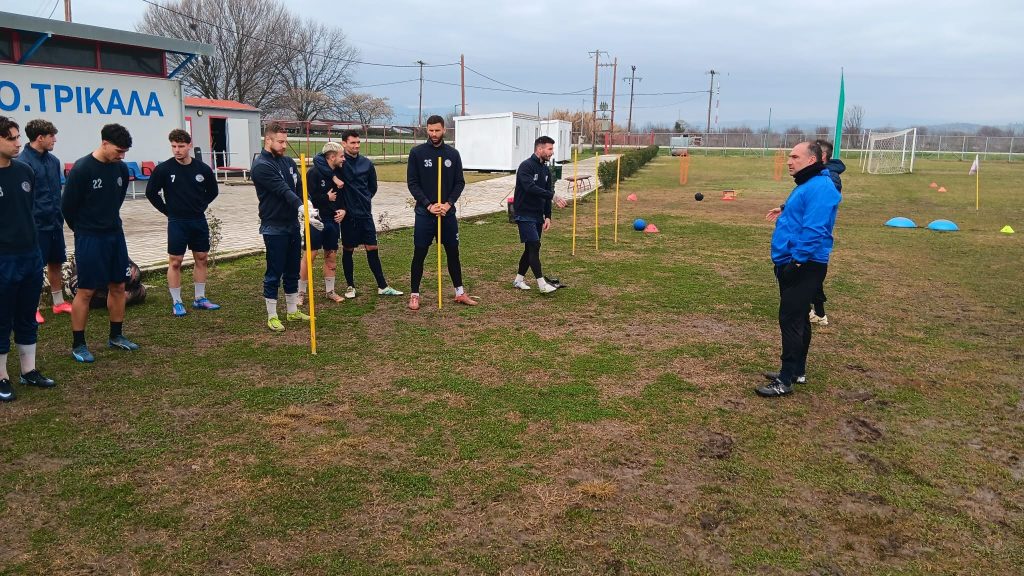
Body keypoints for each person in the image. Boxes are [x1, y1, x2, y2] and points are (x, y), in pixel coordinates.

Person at [757, 141, 841, 398]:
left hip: (805, 265)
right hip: (793, 261)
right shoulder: (808, 183)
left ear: (812, 160)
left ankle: (784, 380)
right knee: (800, 318)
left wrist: (797, 262)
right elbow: (803, 210)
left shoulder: (821, 187)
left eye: (795, 157)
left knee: (791, 320)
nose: (789, 161)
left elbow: (815, 229)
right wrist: (785, 209)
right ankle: (796, 371)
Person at [61, 123, 139, 363]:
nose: (122, 156)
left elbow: (116, 200)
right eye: (119, 150)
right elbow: (68, 208)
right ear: (104, 143)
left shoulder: (121, 169)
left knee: (119, 285)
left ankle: (116, 335)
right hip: (89, 237)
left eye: (125, 152)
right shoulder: (82, 169)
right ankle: (79, 344)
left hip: (115, 235)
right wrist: (85, 230)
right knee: (86, 290)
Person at [0, 116, 56, 401]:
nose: (17, 143)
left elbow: (28, 210)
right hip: (3, 258)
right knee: (2, 318)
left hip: (30, 255)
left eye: (17, 137)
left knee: (26, 315)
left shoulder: (24, 171)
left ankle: (28, 370)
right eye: (11, 138)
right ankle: (2, 376)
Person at [145, 129, 220, 317]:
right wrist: (167, 210)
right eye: (173, 146)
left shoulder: (202, 169)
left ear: (189, 146)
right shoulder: (164, 169)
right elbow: (151, 193)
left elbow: (213, 191)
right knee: (176, 261)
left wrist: (201, 205)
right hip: (177, 221)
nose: (177, 150)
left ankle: (199, 298)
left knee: (201, 257)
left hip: (198, 220)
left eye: (181, 146)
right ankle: (177, 301)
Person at [405, 115, 475, 310]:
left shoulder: (453, 154)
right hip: (425, 213)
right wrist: (428, 205)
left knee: (453, 253)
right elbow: (412, 183)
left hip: (447, 214)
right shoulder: (417, 153)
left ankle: (460, 292)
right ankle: (414, 295)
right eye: (431, 130)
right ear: (427, 130)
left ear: (444, 130)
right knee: (419, 253)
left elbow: (459, 182)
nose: (434, 134)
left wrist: (448, 204)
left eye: (437, 130)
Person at [252, 122, 309, 332]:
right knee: (274, 271)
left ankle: (292, 310)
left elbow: (298, 187)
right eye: (280, 141)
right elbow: (282, 189)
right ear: (268, 140)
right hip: (274, 226)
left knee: (292, 269)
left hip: (292, 224)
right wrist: (300, 206)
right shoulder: (261, 166)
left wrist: (308, 204)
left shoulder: (288, 162)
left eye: (286, 141)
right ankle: (272, 315)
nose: (284, 145)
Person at [17, 119, 71, 325]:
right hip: (35, 225)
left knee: (56, 261)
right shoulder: (22, 163)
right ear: (40, 138)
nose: (55, 140)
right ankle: (32, 307)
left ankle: (58, 302)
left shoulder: (54, 161)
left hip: (55, 221)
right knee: (34, 267)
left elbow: (57, 191)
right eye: (51, 136)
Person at [337, 130, 403, 300]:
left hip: (365, 214)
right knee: (348, 249)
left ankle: (382, 286)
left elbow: (373, 187)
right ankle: (350, 286)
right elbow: (319, 160)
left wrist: (364, 199)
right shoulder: (339, 163)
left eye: (358, 142)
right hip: (348, 216)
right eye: (352, 143)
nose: (356, 146)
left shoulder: (367, 163)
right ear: (344, 143)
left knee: (372, 248)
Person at [511, 135, 568, 293]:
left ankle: (518, 280)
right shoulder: (526, 166)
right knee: (535, 245)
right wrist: (553, 196)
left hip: (537, 215)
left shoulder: (545, 169)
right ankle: (542, 285)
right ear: (539, 148)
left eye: (552, 149)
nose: (552, 152)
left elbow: (547, 193)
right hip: (524, 214)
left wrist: (548, 216)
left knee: (530, 248)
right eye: (549, 149)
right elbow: (530, 188)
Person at [300, 141, 347, 304]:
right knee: (310, 255)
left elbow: (343, 196)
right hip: (315, 220)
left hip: (332, 221)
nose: (344, 159)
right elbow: (307, 198)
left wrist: (343, 210)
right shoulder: (313, 173)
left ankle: (330, 291)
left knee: (331, 255)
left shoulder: (339, 173)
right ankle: (300, 293)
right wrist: (326, 197)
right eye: (341, 156)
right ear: (332, 157)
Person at [809, 138, 845, 326]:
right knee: (809, 275)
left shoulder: (830, 178)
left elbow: (820, 204)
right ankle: (816, 312)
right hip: (811, 234)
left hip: (817, 236)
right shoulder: (818, 175)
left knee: (811, 275)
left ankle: (819, 313)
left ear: (821, 156)